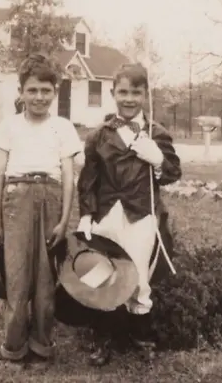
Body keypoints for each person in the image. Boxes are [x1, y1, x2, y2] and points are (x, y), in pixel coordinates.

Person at [76, 63, 182, 366]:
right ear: (113, 93)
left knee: (137, 273)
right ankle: (103, 338)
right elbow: (89, 181)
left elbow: (172, 174)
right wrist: (87, 214)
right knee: (104, 272)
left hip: (141, 214)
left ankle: (141, 336)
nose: (129, 98)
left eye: (136, 92)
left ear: (145, 94)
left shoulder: (156, 133)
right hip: (108, 214)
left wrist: (158, 158)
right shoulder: (98, 136)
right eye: (123, 92)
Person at [0, 53, 82, 366]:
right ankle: (14, 347)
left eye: (45, 91)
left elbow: (68, 177)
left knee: (45, 277)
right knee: (16, 275)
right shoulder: (8, 127)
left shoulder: (63, 128)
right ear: (21, 92)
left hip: (51, 198)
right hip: (17, 198)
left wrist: (64, 219)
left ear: (55, 92)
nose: (39, 97)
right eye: (32, 90)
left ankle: (42, 345)